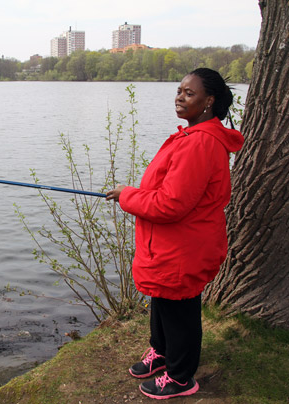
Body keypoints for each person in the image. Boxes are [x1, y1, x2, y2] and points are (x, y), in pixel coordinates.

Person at [105, 68, 244, 399]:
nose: (180, 97)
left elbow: (170, 205)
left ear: (209, 101)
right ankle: (162, 352)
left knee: (180, 309)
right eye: (179, 91)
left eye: (189, 93)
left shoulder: (201, 144)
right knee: (162, 300)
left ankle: (181, 376)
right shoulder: (191, 136)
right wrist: (132, 194)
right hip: (170, 244)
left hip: (185, 246)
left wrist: (127, 195)